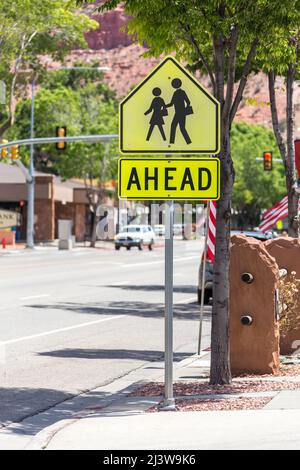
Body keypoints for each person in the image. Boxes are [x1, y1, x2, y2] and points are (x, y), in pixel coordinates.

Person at [166, 78, 192, 145]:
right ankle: (172, 143)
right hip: (178, 113)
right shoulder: (176, 93)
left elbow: (188, 102)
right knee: (175, 126)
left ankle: (188, 142)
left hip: (181, 113)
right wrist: (164, 106)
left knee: (181, 128)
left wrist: (185, 110)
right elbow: (171, 103)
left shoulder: (181, 92)